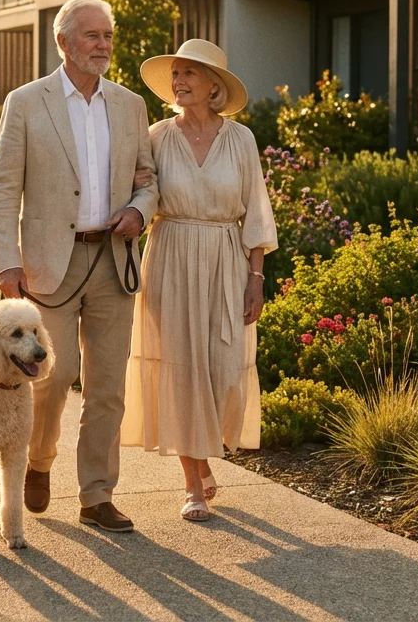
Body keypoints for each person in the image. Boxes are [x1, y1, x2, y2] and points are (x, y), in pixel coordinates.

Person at [0, 0, 159, 533]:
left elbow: (148, 178)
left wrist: (138, 209)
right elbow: (4, 189)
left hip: (112, 259)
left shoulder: (130, 105)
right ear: (63, 42)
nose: (103, 46)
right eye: (92, 36)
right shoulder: (26, 102)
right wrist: (7, 262)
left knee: (108, 384)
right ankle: (39, 463)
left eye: (107, 35)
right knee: (52, 376)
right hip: (46, 266)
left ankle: (96, 495)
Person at [121, 39, 278, 522]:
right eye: (176, 74)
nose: (180, 81)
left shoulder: (242, 139)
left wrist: (256, 278)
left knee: (225, 368)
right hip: (170, 255)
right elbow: (140, 195)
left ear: (215, 86)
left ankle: (206, 458)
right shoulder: (155, 136)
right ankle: (192, 481)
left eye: (190, 73)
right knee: (182, 366)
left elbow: (256, 211)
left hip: (227, 258)